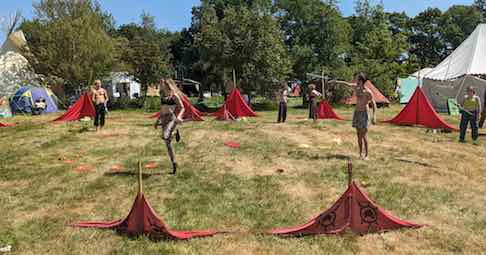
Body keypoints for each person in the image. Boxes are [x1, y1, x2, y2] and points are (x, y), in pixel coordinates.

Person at [332, 73, 377, 160]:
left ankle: (366, 155)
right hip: (357, 113)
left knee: (364, 135)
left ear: (361, 80)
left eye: (357, 79)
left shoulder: (368, 92)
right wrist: (336, 81)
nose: (355, 80)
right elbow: (346, 84)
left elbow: (374, 104)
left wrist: (374, 116)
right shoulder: (356, 87)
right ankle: (360, 154)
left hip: (364, 113)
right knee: (358, 135)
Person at [154, 78, 185, 175]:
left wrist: (179, 116)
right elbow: (162, 110)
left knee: (165, 135)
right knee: (168, 144)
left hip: (172, 118)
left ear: (167, 85)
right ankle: (174, 163)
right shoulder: (163, 96)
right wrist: (157, 120)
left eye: (161, 83)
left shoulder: (174, 96)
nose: (160, 85)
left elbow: (182, 107)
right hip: (164, 119)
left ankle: (174, 132)